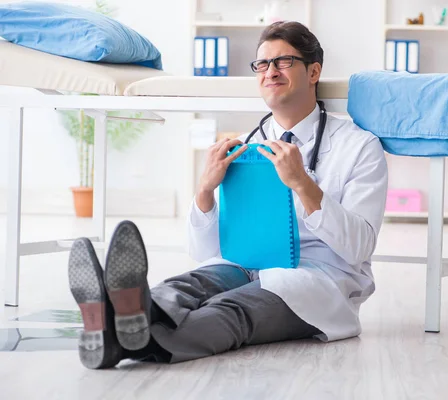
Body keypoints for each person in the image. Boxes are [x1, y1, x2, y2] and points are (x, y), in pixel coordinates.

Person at [67, 21, 388, 369]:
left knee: (231, 312)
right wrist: (205, 188)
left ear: (314, 71)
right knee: (188, 286)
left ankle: (112, 332)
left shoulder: (359, 147)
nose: (270, 72)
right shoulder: (247, 148)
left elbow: (359, 249)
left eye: (283, 62)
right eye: (262, 64)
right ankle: (124, 319)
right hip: (243, 264)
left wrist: (303, 184)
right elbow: (204, 252)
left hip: (320, 279)